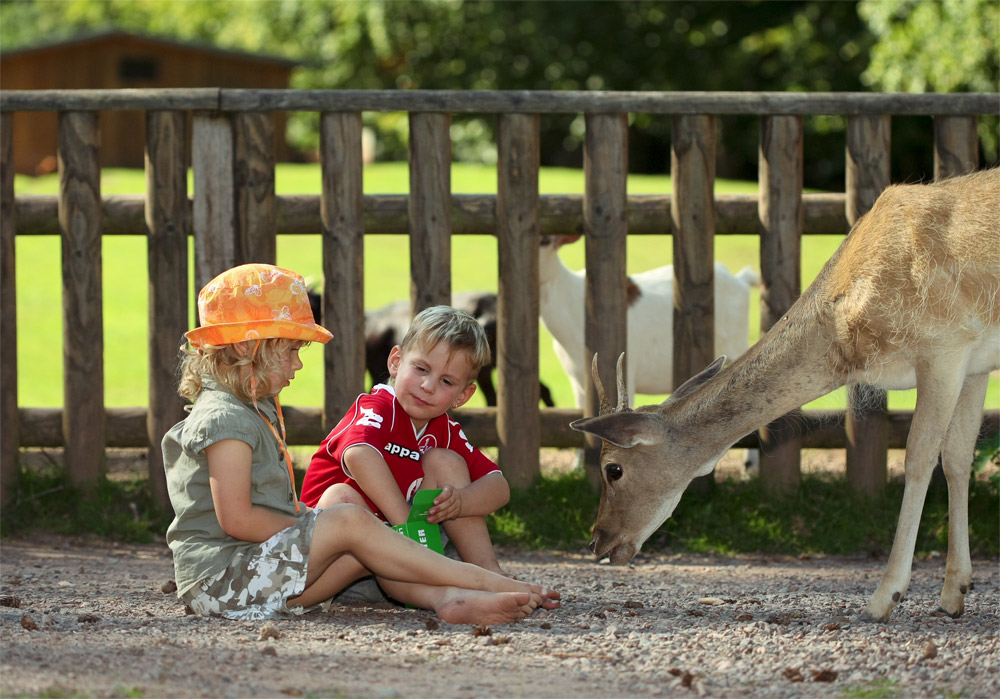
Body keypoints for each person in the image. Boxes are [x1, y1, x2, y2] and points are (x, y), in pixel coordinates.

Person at [162, 263, 559, 623]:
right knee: (351, 520)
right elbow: (238, 520)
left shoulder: (252, 406)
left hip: (263, 580)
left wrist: (337, 531)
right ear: (247, 346)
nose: (298, 364)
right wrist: (322, 526)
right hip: (222, 582)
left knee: (359, 540)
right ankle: (485, 582)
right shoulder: (225, 418)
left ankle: (452, 596)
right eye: (291, 351)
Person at [300, 305, 512, 577]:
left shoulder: (444, 429)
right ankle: (447, 578)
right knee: (342, 497)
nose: (428, 386)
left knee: (445, 462)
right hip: (332, 557)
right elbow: (358, 454)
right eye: (421, 368)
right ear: (396, 362)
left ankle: (486, 572)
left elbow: (499, 487)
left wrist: (461, 501)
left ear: (463, 396)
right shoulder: (377, 407)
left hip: (393, 558)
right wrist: (405, 528)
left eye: (446, 382)